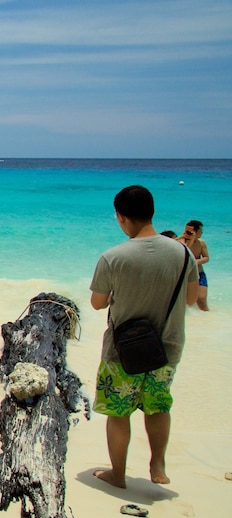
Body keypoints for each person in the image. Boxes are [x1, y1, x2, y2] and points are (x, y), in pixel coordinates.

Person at [90, 185, 198, 489]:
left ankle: (118, 473)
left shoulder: (113, 256)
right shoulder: (183, 252)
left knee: (118, 412)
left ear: (121, 217)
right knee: (158, 406)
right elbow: (190, 299)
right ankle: (157, 465)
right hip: (168, 345)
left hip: (123, 350)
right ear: (151, 212)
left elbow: (98, 303)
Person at [178, 220, 210, 311]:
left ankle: (209, 320)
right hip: (184, 276)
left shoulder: (201, 243)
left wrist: (196, 262)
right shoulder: (181, 242)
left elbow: (206, 258)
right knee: (184, 303)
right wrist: (189, 238)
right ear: (195, 232)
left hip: (199, 274)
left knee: (202, 301)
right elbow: (184, 252)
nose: (202, 232)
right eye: (200, 230)